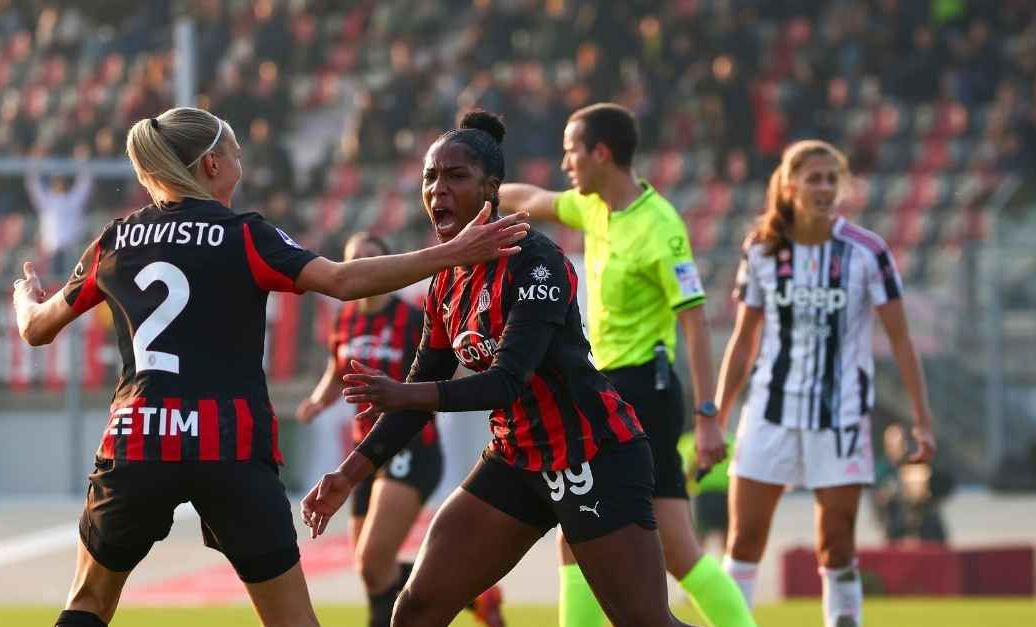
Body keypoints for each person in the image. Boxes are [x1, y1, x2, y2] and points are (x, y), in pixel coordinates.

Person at [10, 106, 528, 627]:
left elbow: (36, 328)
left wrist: (22, 298)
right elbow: (343, 282)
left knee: (88, 603)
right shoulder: (245, 236)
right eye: (235, 151)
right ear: (212, 165)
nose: (241, 160)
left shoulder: (115, 242)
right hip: (229, 444)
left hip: (139, 437)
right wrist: (451, 253)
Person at [301, 111, 696, 627]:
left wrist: (404, 394)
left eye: (455, 177)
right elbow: (421, 385)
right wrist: (349, 474)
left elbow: (508, 380)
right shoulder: (446, 280)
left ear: (492, 189)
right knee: (417, 609)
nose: (438, 190)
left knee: (645, 622)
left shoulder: (535, 260)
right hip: (515, 459)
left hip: (591, 453)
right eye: (430, 178)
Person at [499, 103, 754, 627]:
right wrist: (476, 185)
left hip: (644, 389)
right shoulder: (594, 207)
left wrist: (707, 417)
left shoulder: (661, 227)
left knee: (602, 536)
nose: (565, 162)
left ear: (601, 153)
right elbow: (532, 199)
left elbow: (695, 322)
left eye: (572, 151)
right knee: (602, 536)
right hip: (606, 387)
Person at [713, 139, 938, 627]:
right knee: (745, 541)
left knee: (836, 545)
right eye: (813, 178)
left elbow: (901, 341)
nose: (823, 187)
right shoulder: (763, 249)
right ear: (790, 186)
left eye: (831, 179)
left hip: (841, 419)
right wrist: (716, 416)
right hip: (769, 415)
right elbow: (744, 340)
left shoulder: (867, 251)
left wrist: (922, 420)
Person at [296, 231, 504, 627]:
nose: (363, 267)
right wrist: (320, 401)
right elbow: (335, 370)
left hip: (409, 446)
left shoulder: (410, 317)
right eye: (355, 259)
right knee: (372, 569)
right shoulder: (345, 317)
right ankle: (473, 595)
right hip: (364, 453)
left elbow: (444, 364)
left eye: (371, 259)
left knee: (375, 558)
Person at [25, 163, 93, 280]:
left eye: (61, 181)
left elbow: (85, 184)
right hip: (51, 252)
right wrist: (36, 162)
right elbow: (33, 185)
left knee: (71, 282)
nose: (59, 184)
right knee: (52, 283)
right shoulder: (47, 200)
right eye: (56, 181)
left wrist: (82, 162)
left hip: (71, 251)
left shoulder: (73, 200)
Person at [677, 430, 734, 551]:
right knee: (727, 541)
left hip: (702, 496)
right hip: (725, 495)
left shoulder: (689, 441)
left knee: (699, 541)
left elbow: (684, 474)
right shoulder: (731, 441)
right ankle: (723, 567)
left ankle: (701, 566)